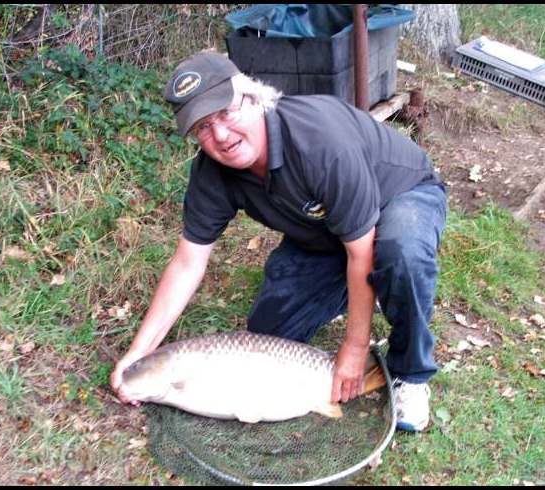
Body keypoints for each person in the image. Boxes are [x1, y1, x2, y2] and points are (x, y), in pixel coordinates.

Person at [110, 51, 447, 432]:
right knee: (270, 332)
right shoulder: (211, 173)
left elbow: (362, 249)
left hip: (401, 196)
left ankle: (411, 374)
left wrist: (354, 348)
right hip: (328, 232)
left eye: (224, 112)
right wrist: (139, 353)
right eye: (203, 127)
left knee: (399, 253)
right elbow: (189, 262)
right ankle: (349, 291)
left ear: (252, 98)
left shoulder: (319, 142)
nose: (219, 134)